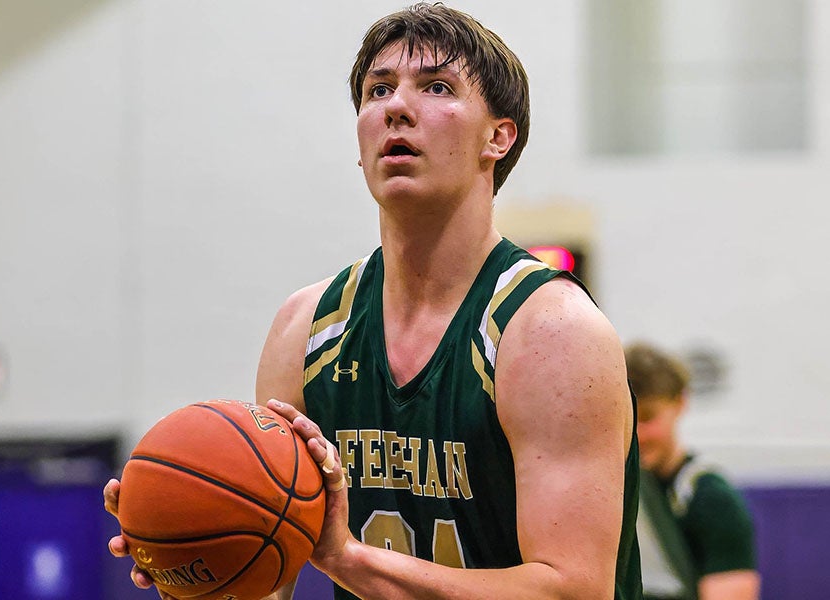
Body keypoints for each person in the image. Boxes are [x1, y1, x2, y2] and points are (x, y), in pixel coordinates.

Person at [104, 3, 642, 598]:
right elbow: (267, 578)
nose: (396, 108)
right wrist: (192, 543)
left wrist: (346, 559)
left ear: (499, 136)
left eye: (437, 86)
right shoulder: (305, 327)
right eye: (376, 90)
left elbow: (571, 591)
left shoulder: (549, 331)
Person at [625, 342, 759, 600]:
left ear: (680, 403)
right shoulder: (610, 490)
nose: (637, 434)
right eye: (628, 419)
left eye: (648, 418)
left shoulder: (712, 498)